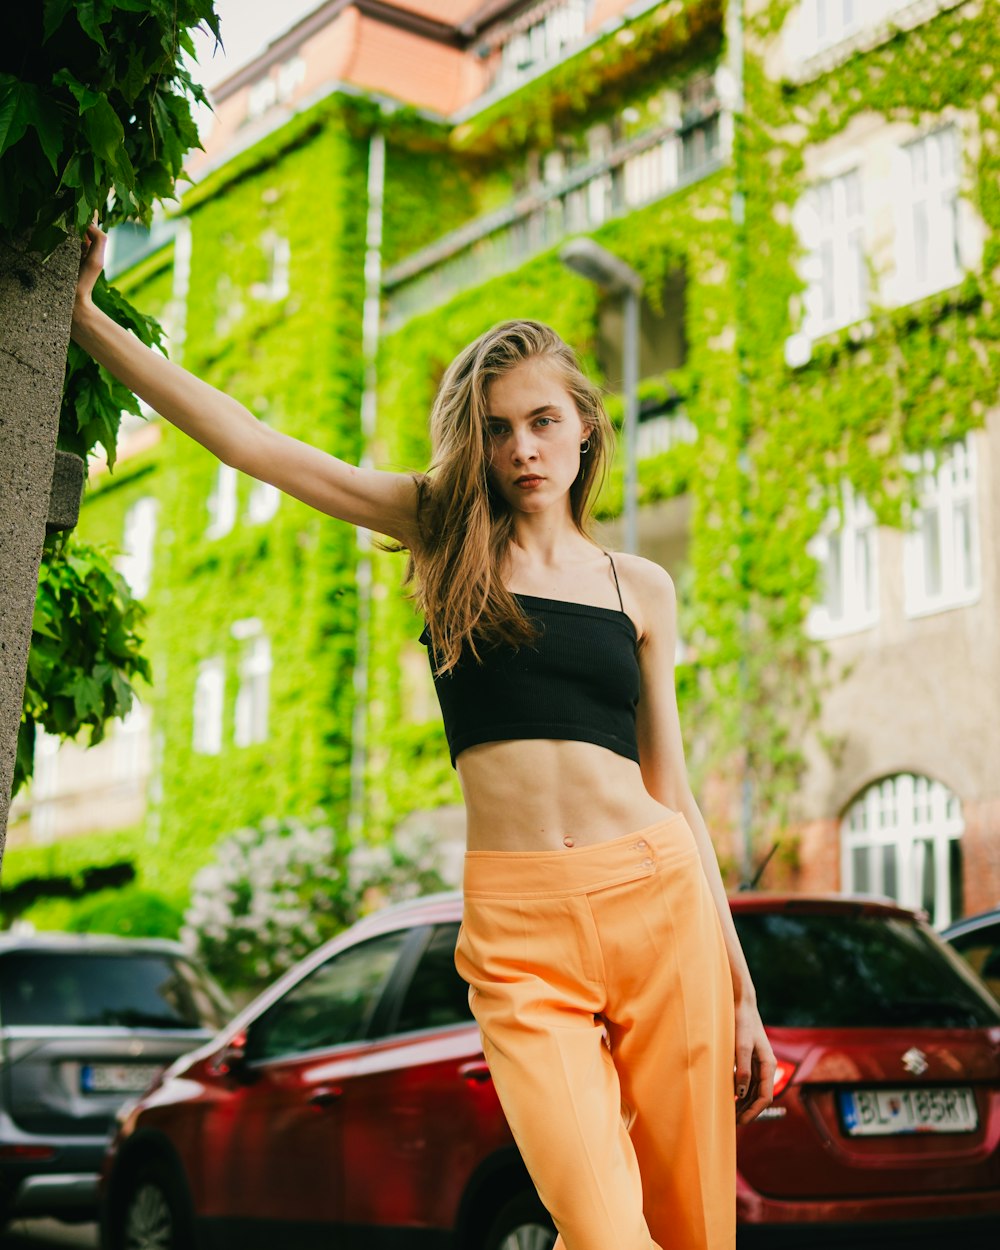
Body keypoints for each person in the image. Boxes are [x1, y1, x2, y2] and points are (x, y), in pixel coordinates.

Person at [71, 223, 774, 1250]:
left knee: (694, 1226)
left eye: (542, 420)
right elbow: (251, 443)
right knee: (605, 1224)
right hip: (522, 931)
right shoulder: (442, 532)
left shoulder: (639, 586)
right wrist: (88, 320)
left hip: (659, 904)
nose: (522, 447)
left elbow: (676, 791)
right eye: (498, 428)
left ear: (584, 426)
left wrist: (740, 983)